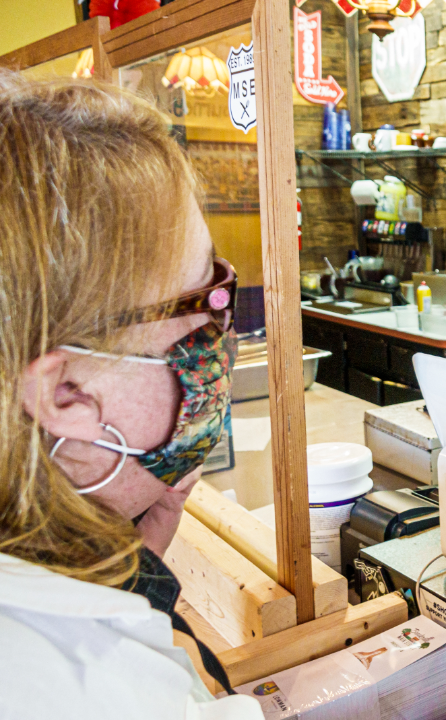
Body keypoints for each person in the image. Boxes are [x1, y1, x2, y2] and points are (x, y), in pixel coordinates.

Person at [0, 73, 261, 719]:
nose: (222, 331)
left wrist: (135, 574)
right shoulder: (99, 686)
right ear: (66, 392)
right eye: (205, 302)